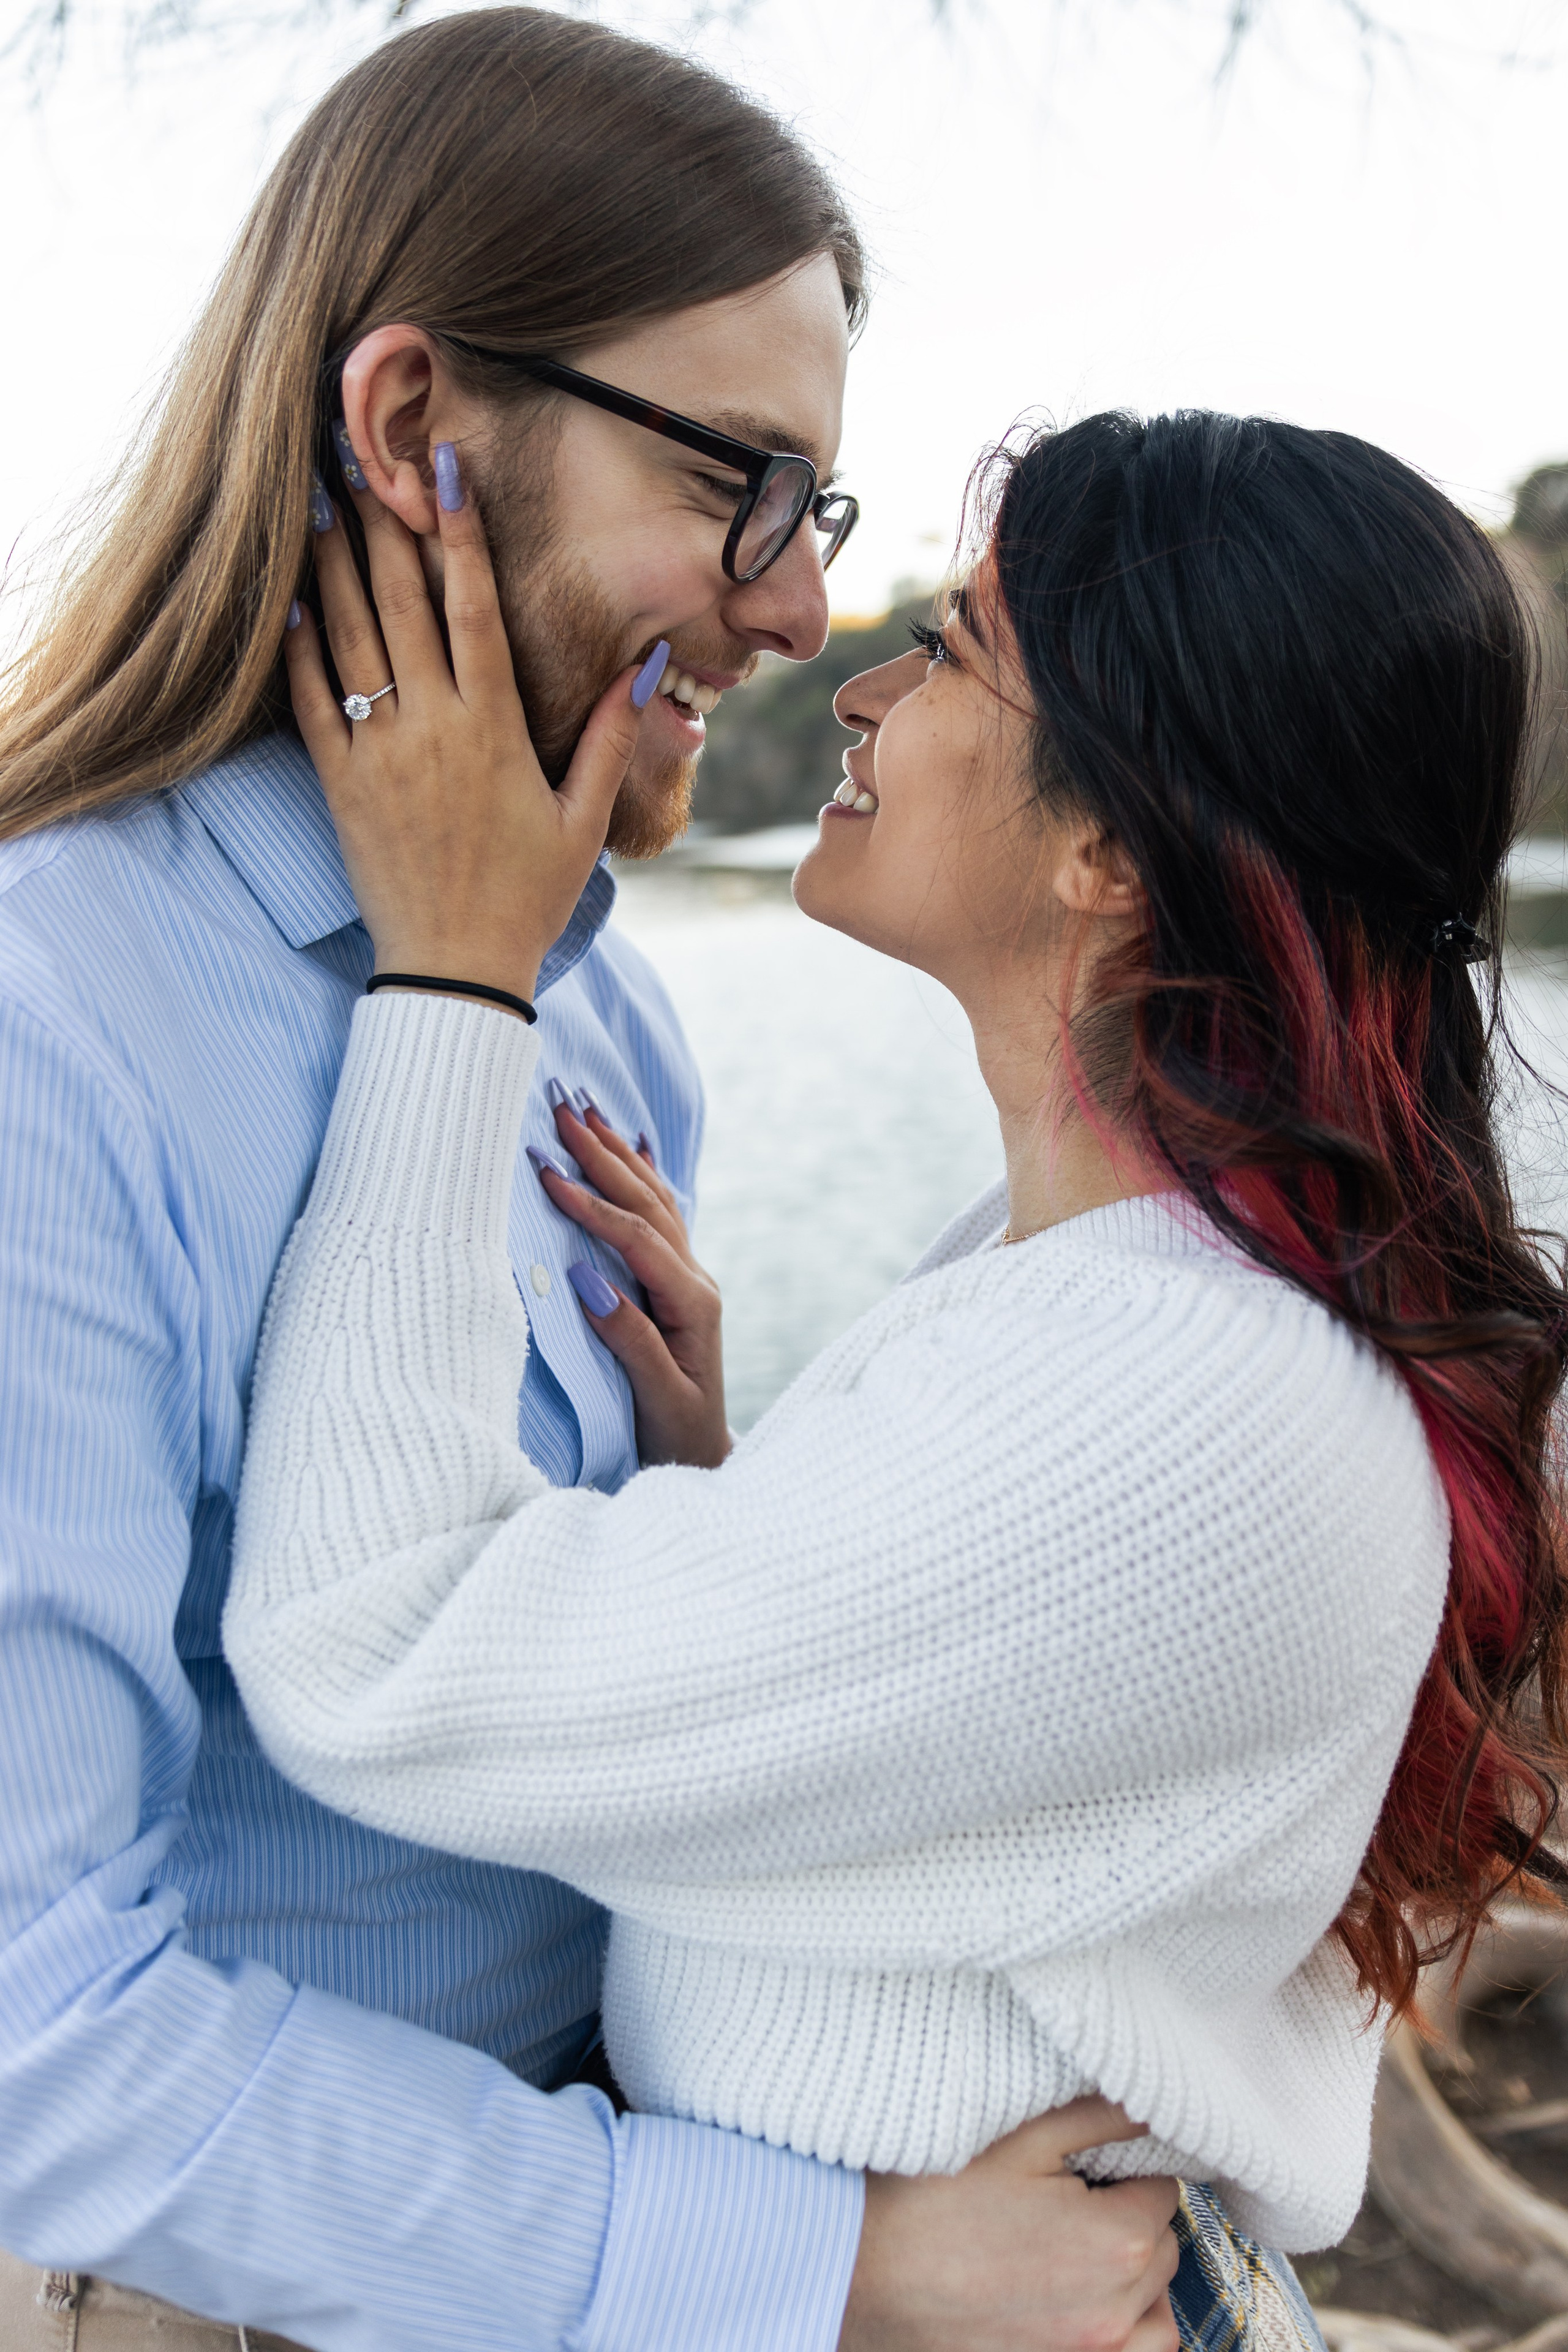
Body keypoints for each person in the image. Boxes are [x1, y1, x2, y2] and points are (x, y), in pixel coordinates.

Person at [0, 13, 1185, 2351]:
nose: (785, 614)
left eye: (812, 516)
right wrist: (835, 2272)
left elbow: (524, 1726)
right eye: (743, 482)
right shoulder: (58, 1025)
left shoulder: (593, 1009)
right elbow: (32, 2039)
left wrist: (700, 1516)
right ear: (416, 429)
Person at [222, 405, 1568, 2350]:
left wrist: (453, 976)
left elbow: (365, 1655)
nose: (863, 680)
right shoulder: (1134, 1292)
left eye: (958, 649)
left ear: (1110, 850)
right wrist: (739, 1491)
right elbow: (994, 1780)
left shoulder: (1177, 1392)